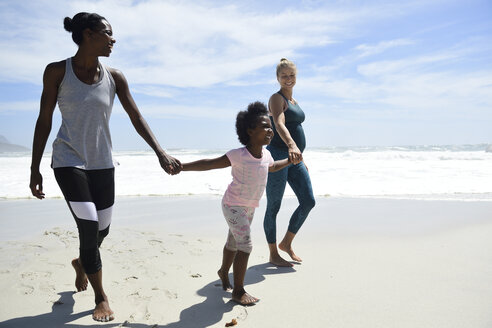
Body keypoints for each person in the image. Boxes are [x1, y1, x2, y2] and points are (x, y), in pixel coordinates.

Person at [29, 12, 181, 322]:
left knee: (102, 229)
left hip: (102, 162)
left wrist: (160, 152)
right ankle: (101, 296)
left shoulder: (116, 77)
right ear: (87, 34)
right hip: (68, 158)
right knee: (88, 225)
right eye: (107, 33)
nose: (113, 40)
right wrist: (35, 168)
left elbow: (136, 117)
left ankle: (82, 260)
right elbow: (44, 119)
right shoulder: (57, 72)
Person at [179, 102, 291, 305]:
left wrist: (291, 161)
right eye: (265, 126)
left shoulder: (266, 154)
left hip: (249, 207)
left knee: (233, 243)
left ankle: (223, 272)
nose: (270, 130)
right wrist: (182, 167)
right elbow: (210, 164)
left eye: (270, 126)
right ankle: (238, 291)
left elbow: (272, 167)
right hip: (232, 205)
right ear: (249, 131)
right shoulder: (238, 155)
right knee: (245, 245)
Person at [263, 58, 316, 267]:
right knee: (273, 207)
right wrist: (292, 145)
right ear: (277, 78)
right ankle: (273, 253)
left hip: (295, 158)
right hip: (278, 155)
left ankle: (287, 242)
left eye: (291, 75)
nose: (288, 79)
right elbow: (279, 123)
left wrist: (300, 155)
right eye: (284, 76)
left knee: (308, 201)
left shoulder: (295, 101)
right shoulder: (276, 99)